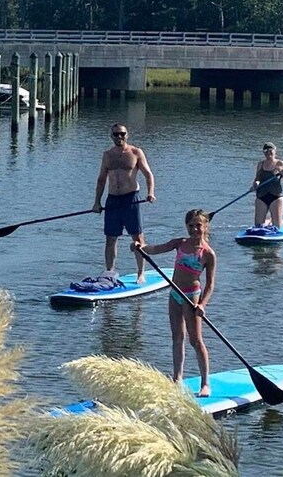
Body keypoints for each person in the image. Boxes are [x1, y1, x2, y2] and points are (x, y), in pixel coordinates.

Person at [131, 209, 216, 395]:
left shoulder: (208, 254)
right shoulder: (179, 243)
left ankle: (205, 383)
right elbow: (156, 249)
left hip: (191, 296)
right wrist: (140, 247)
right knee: (177, 338)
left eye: (198, 225)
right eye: (190, 225)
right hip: (175, 294)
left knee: (195, 340)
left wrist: (203, 304)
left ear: (205, 226)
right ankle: (177, 378)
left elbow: (210, 285)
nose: (194, 229)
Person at [93, 123, 155, 284]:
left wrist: (150, 193)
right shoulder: (107, 155)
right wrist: (96, 203)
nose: (119, 137)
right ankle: (110, 272)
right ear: (111, 136)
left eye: (122, 134)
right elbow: (101, 180)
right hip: (112, 200)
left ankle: (141, 273)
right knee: (110, 238)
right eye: (116, 134)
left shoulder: (135, 152)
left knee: (137, 237)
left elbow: (148, 174)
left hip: (131, 199)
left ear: (127, 135)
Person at [252, 142, 283, 229]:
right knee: (258, 226)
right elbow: (257, 179)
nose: (268, 152)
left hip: (275, 196)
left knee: (277, 226)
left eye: (270, 150)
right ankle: (268, 221)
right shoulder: (260, 164)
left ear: (275, 151)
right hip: (261, 196)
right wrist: (255, 184)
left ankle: (278, 220)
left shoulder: (280, 164)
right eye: (265, 150)